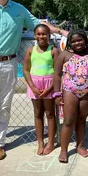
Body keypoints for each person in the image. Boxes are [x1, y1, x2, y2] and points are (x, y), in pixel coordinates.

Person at [0, 0, 68, 160]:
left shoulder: (19, 9)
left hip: (9, 63)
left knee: (3, 106)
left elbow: (38, 24)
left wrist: (62, 32)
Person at [53, 30, 88, 163]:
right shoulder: (64, 55)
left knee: (81, 119)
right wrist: (57, 94)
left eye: (80, 40)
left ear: (85, 40)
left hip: (87, 91)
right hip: (70, 91)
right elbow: (57, 75)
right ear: (69, 42)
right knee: (69, 120)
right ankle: (64, 150)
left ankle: (80, 146)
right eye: (73, 41)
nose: (77, 43)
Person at [23, 24, 59, 155]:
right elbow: (26, 70)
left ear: (49, 35)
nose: (41, 36)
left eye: (44, 34)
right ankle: (40, 142)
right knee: (38, 114)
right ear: (34, 35)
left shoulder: (53, 51)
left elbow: (57, 72)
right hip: (35, 85)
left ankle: (50, 142)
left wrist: (50, 88)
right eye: (38, 34)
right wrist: (32, 86)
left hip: (49, 85)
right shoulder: (30, 50)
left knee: (50, 114)